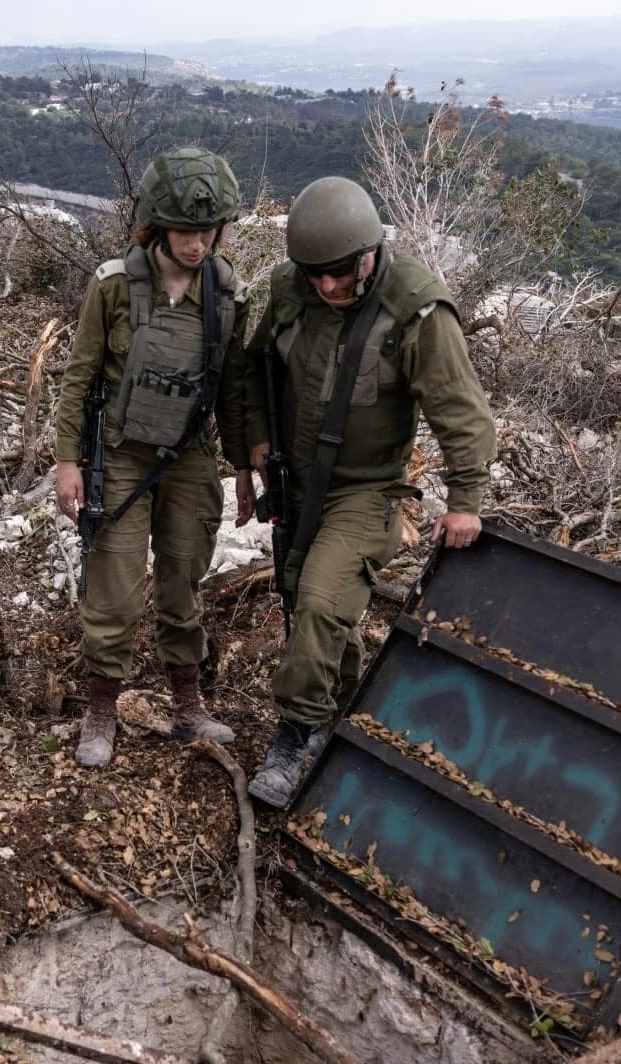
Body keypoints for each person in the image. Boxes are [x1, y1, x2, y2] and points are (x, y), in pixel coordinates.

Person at [237, 176, 496, 807]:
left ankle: (294, 736)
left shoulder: (416, 310)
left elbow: (463, 413)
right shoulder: (288, 290)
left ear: (371, 252)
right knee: (306, 601)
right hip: (295, 482)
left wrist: (465, 500)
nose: (328, 286)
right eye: (316, 273)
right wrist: (252, 447)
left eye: (341, 272)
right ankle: (352, 709)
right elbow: (251, 370)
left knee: (323, 603)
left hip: (366, 490)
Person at [51, 147, 254, 767]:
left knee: (182, 582)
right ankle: (102, 710)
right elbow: (80, 376)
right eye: (187, 231)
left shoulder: (226, 292)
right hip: (120, 454)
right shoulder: (115, 286)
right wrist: (67, 461)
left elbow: (234, 390)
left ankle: (188, 708)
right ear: (158, 224)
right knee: (113, 592)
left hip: (191, 456)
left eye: (208, 230)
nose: (198, 244)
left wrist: (244, 468)